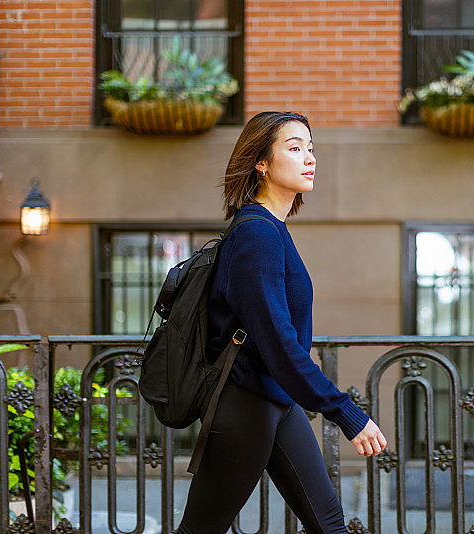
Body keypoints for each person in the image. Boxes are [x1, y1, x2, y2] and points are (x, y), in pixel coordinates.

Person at [176, 111, 387, 534]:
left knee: (329, 524)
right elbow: (278, 344)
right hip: (243, 406)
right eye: (294, 148)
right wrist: (345, 412)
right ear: (262, 163)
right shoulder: (256, 235)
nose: (309, 157)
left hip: (277, 402)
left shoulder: (273, 229)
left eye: (310, 148)